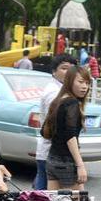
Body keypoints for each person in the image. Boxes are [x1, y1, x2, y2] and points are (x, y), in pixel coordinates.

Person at [41, 66, 91, 190]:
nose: (85, 86)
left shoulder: (58, 100)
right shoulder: (71, 103)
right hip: (67, 161)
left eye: (87, 83)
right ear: (69, 81)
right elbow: (70, 137)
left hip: (52, 159)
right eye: (80, 82)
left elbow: (44, 131)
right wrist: (80, 165)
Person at [34, 54, 77, 190]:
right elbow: (61, 127)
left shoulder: (63, 90)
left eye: (72, 68)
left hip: (50, 152)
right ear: (53, 71)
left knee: (43, 193)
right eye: (64, 68)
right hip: (51, 152)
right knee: (46, 196)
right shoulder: (54, 93)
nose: (69, 72)